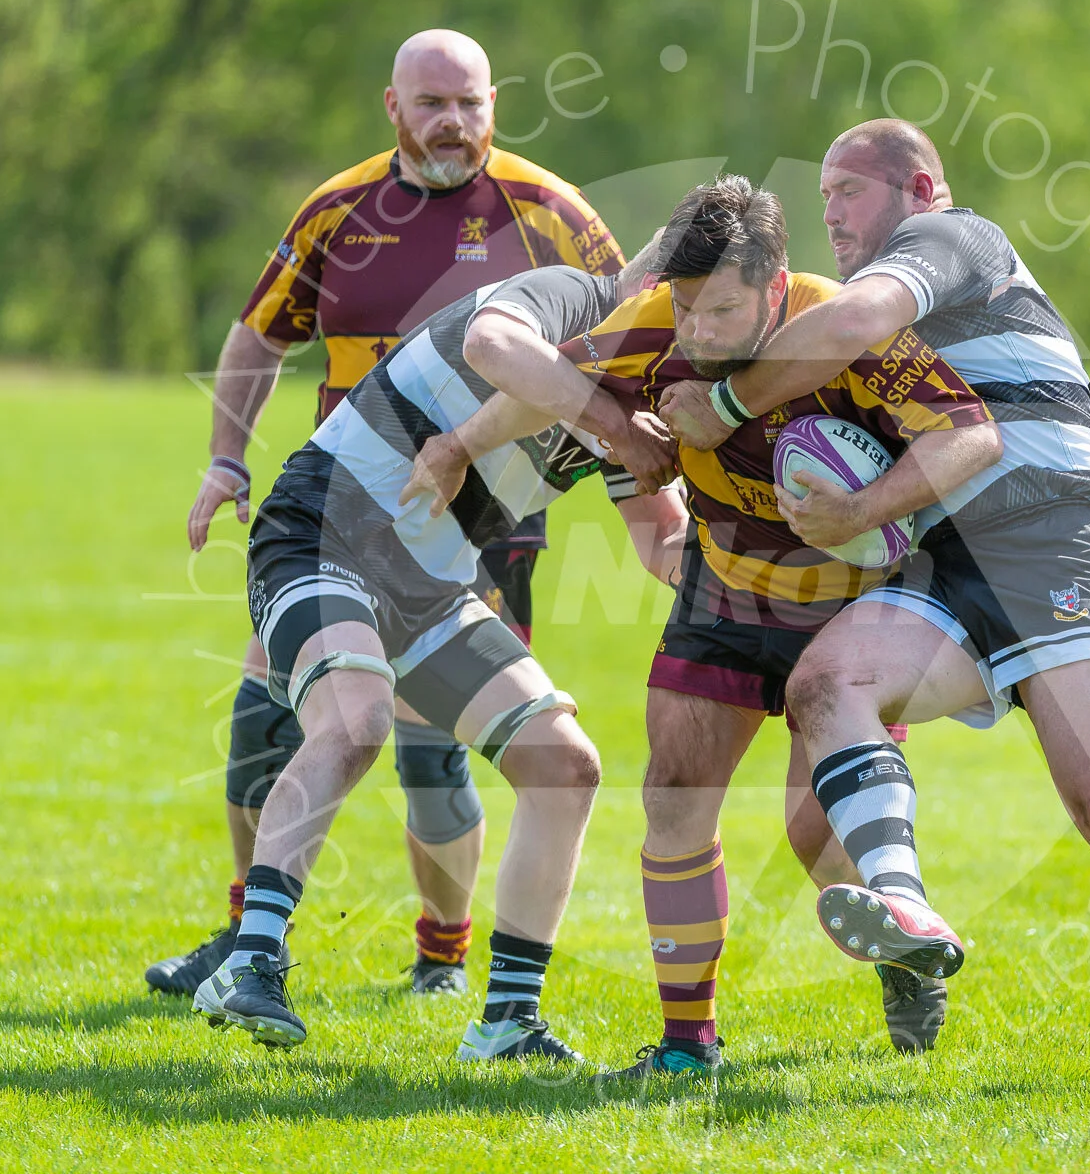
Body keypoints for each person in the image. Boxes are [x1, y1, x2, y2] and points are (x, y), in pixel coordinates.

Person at [657, 120, 1090, 1100]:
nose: (831, 210)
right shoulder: (857, 314)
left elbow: (848, 325)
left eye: (851, 190)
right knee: (828, 683)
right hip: (951, 562)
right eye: (826, 194)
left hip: (1059, 537)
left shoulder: (953, 241)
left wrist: (723, 408)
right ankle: (907, 912)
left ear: (919, 187)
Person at [423, 175, 1002, 1073]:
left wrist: (863, 511)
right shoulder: (659, 320)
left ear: (776, 286)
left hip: (847, 616)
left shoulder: (848, 328)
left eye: (721, 309)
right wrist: (466, 444)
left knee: (818, 832)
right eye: (687, 305)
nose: (695, 329)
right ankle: (687, 1044)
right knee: (675, 797)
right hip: (723, 594)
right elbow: (546, 385)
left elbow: (970, 434)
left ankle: (902, 951)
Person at [149, 28, 625, 999]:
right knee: (266, 721)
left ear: (497, 104)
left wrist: (654, 500)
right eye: (434, 104)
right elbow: (254, 337)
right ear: (393, 106)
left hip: (482, 535)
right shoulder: (339, 208)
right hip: (338, 519)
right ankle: (247, 934)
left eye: (472, 104)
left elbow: (620, 360)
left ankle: (443, 957)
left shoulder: (556, 219)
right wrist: (225, 458)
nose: (454, 123)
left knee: (431, 751)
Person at [190, 259, 683, 1058]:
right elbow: (493, 345)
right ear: (652, 285)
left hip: (433, 589)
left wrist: (773, 560)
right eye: (688, 310)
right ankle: (251, 963)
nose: (691, 337)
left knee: (565, 765)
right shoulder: (570, 298)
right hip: (322, 537)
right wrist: (621, 426)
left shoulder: (638, 391)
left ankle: (506, 1023)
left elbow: (663, 541)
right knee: (356, 719)